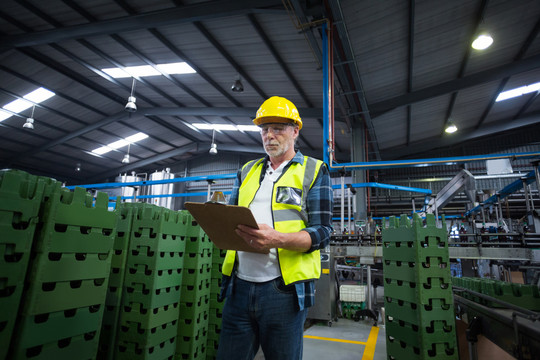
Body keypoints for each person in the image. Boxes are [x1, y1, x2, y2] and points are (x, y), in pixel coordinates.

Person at [216, 96, 333, 360]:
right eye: (265, 129)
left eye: (278, 128)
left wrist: (277, 239)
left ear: (295, 131)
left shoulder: (314, 170)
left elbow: (323, 231)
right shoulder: (245, 171)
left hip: (283, 291)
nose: (270, 135)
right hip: (238, 287)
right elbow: (230, 219)